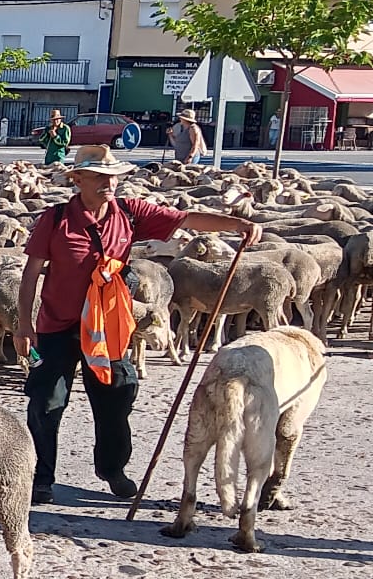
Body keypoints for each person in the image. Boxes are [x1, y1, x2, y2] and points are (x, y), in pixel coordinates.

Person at [14, 144, 259, 506]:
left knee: (117, 398)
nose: (108, 183)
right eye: (98, 176)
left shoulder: (129, 213)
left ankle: (113, 469)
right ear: (78, 179)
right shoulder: (55, 219)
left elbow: (185, 219)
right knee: (46, 402)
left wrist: (237, 224)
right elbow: (31, 273)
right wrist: (24, 325)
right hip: (58, 326)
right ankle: (41, 478)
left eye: (112, 176)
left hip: (107, 328)